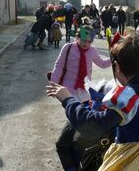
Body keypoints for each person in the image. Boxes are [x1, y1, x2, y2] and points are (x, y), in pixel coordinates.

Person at [47, 35, 139, 171]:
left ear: (117, 67)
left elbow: (93, 127)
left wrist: (68, 99)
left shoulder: (128, 96)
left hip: (132, 158)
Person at [50, 27, 111, 171]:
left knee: (77, 119)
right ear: (77, 37)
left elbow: (102, 64)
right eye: (83, 40)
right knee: (74, 117)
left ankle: (75, 149)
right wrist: (53, 84)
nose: (86, 44)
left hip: (84, 91)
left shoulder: (92, 51)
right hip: (69, 89)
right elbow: (59, 65)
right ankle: (72, 149)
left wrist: (113, 58)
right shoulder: (68, 47)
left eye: (89, 41)